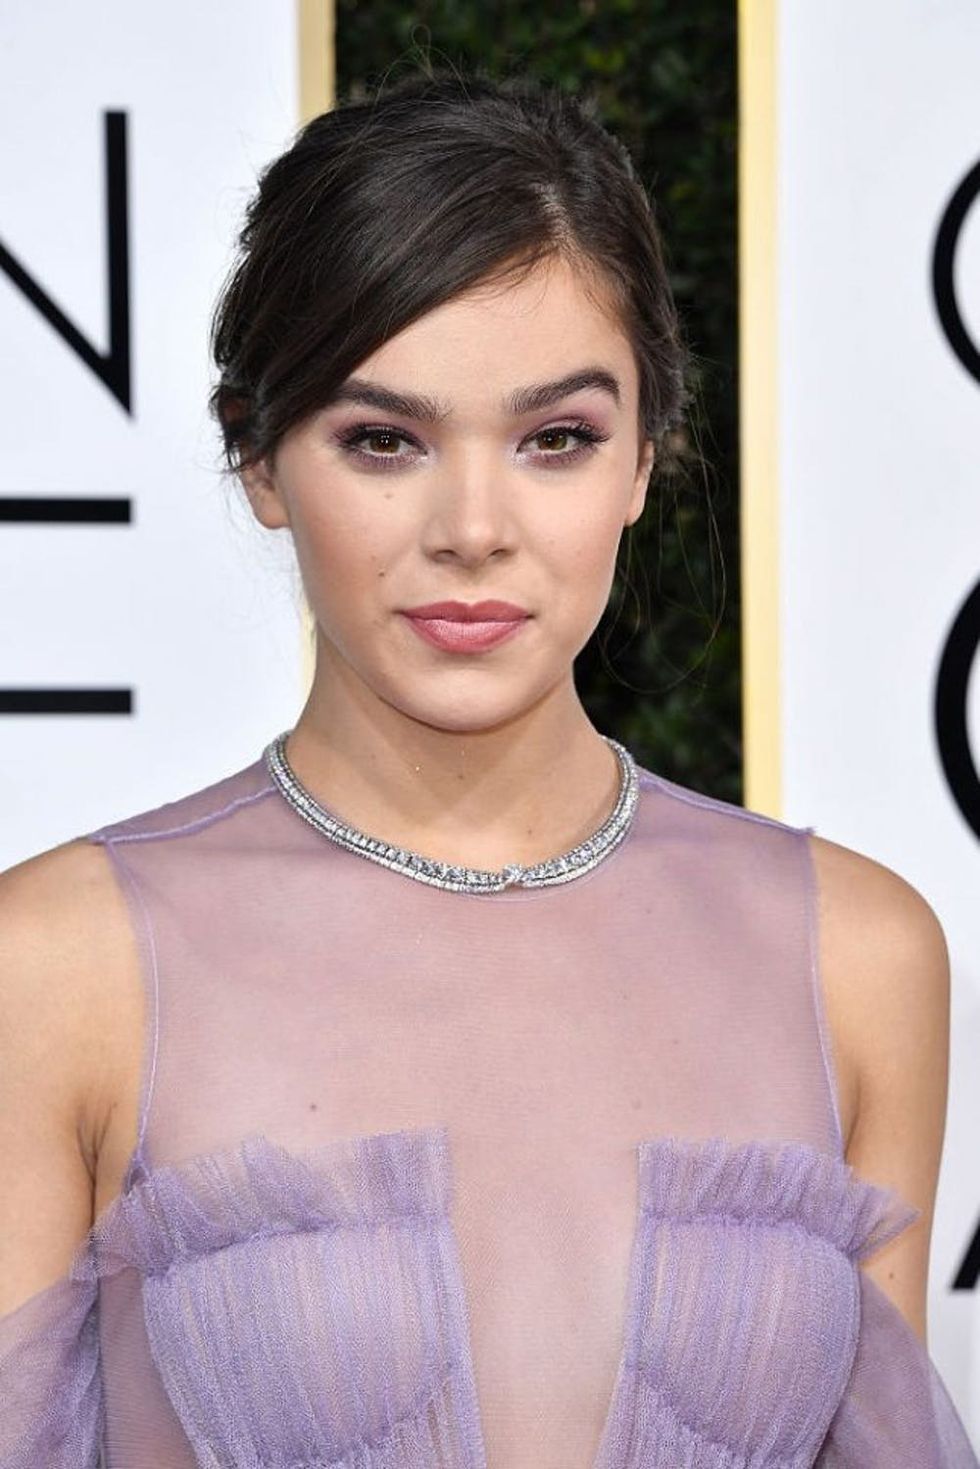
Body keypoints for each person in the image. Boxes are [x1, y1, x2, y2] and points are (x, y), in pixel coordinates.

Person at [0, 65, 976, 1469]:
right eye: (383, 439)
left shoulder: (858, 953)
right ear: (260, 460)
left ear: (647, 457)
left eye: (555, 439)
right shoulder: (59, 963)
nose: (474, 526)